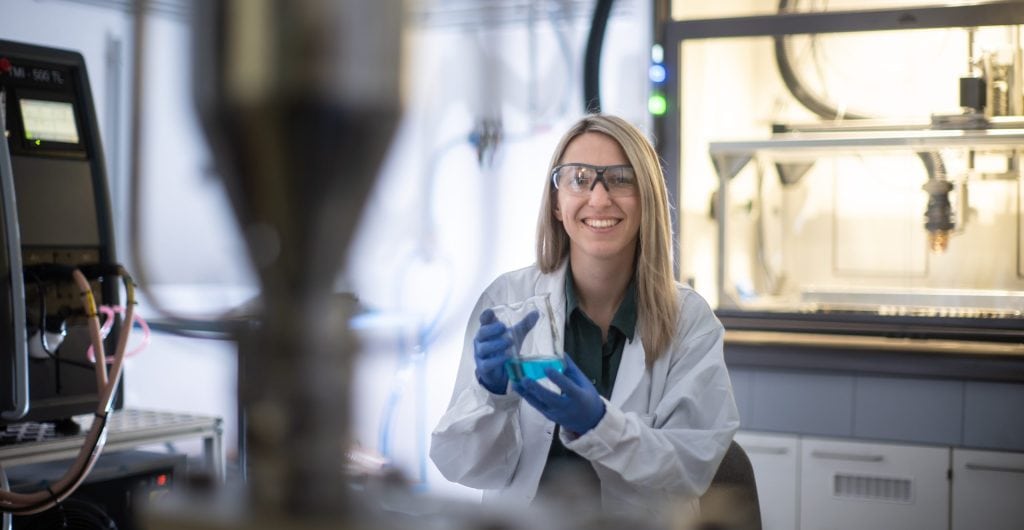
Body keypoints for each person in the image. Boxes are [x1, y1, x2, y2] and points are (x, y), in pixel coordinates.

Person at [430, 114, 739, 517]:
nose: (598, 198)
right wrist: (491, 396)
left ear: (647, 199)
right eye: (579, 179)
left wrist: (598, 424)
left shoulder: (689, 319)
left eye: (620, 178)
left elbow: (692, 465)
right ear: (557, 204)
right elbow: (460, 465)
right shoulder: (507, 302)